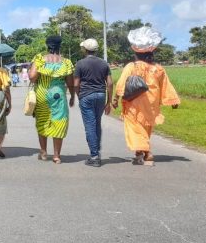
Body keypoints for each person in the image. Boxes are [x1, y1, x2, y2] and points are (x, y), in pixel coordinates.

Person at [112, 27, 180, 166]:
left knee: (135, 127)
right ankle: (139, 153)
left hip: (134, 104)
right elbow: (166, 85)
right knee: (146, 127)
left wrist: (115, 99)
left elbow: (121, 83)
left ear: (135, 51)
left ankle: (147, 152)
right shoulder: (158, 68)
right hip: (151, 103)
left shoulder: (131, 66)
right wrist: (173, 100)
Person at [29, 36, 75, 164]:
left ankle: (43, 152)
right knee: (59, 121)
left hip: (42, 94)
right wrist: (72, 96)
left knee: (42, 121)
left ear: (47, 46)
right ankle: (56, 156)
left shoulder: (39, 60)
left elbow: (32, 77)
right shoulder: (66, 62)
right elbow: (70, 83)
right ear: (60, 46)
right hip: (58, 95)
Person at [74, 38, 113, 167]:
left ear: (85, 49)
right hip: (101, 95)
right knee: (97, 124)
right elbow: (110, 83)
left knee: (90, 125)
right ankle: (96, 152)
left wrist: (79, 96)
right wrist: (108, 102)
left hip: (86, 95)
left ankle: (94, 156)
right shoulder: (104, 63)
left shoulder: (80, 63)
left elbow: (76, 84)